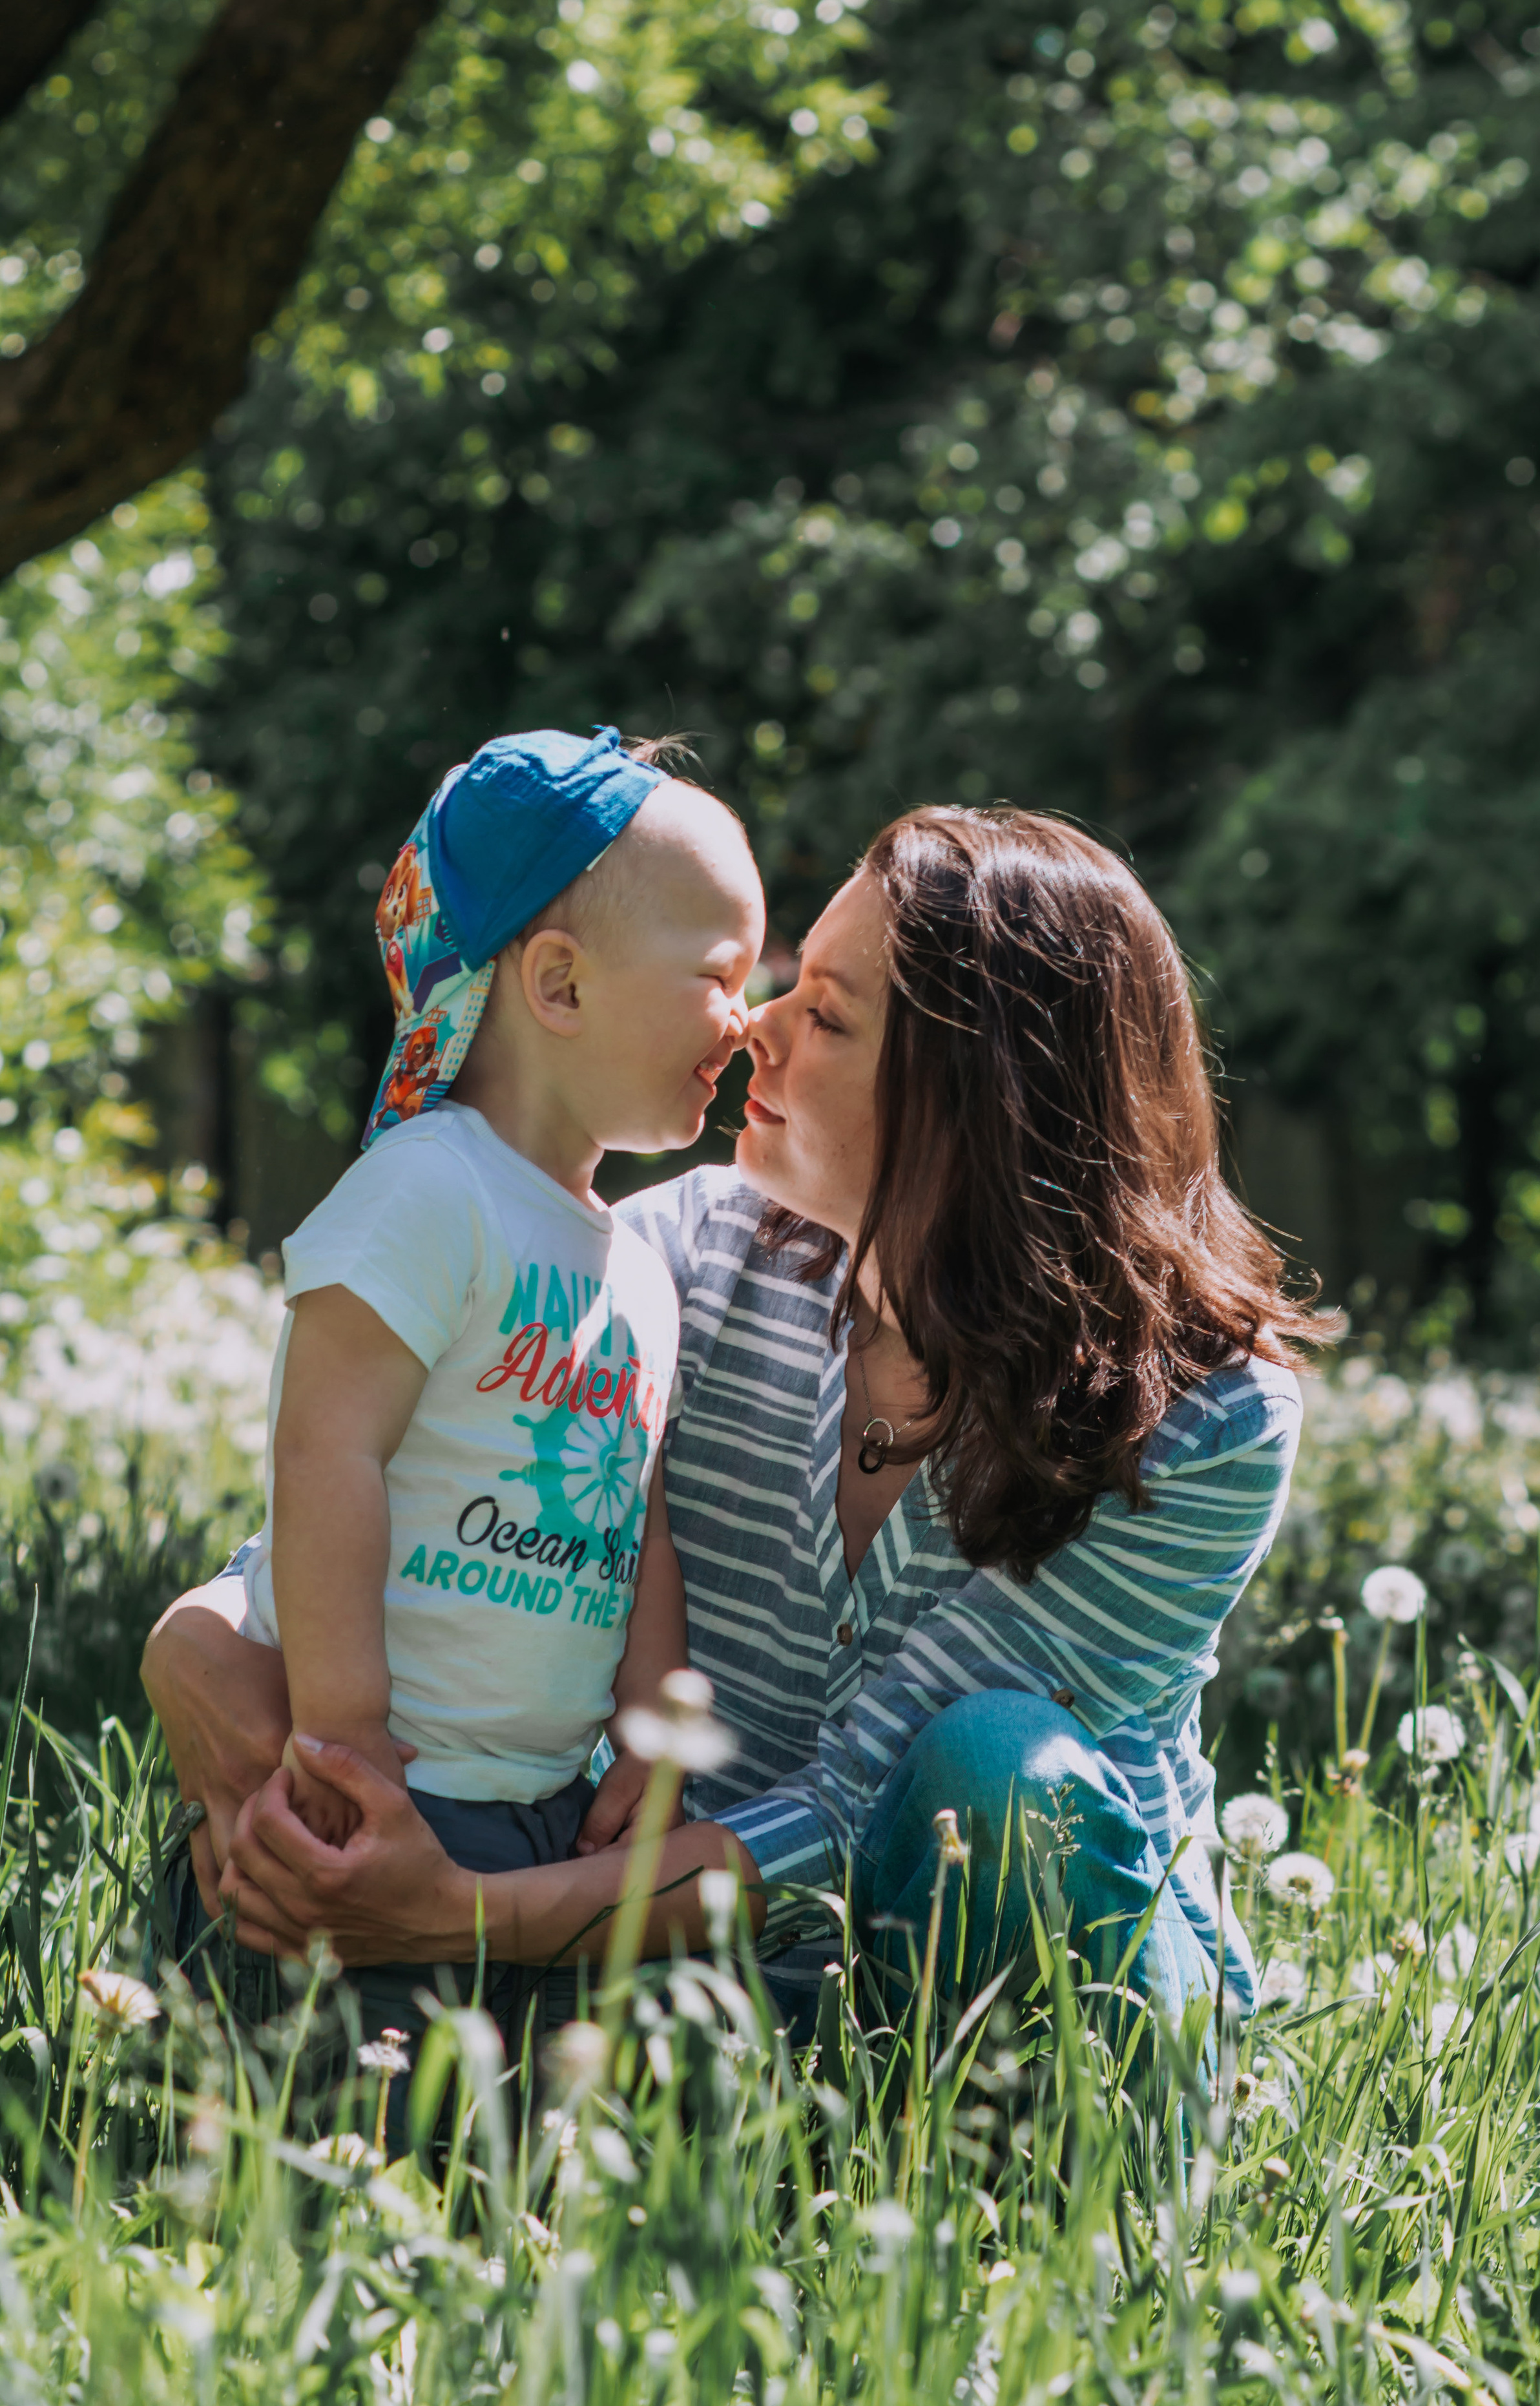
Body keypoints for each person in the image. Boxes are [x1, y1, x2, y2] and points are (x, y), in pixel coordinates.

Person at [144, 805, 1333, 2045]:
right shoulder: (669, 1265)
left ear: (974, 1098)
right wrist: (204, 1639)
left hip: (1029, 2002)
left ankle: (1074, 2207)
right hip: (690, 1977)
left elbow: (860, 1805)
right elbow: (417, 1500)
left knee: (996, 1769)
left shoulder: (1204, 1420)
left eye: (823, 1013)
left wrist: (470, 1915)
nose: (751, 1023)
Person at [182, 722, 764, 2056]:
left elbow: (639, 1523)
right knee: (334, 2118)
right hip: (388, 1783)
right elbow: (323, 1453)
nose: (748, 1014)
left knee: (503, 2141)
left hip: (543, 1808)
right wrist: (341, 1732)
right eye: (719, 974)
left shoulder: (632, 1262)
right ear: (556, 983)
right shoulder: (428, 1189)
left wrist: (650, 1736)